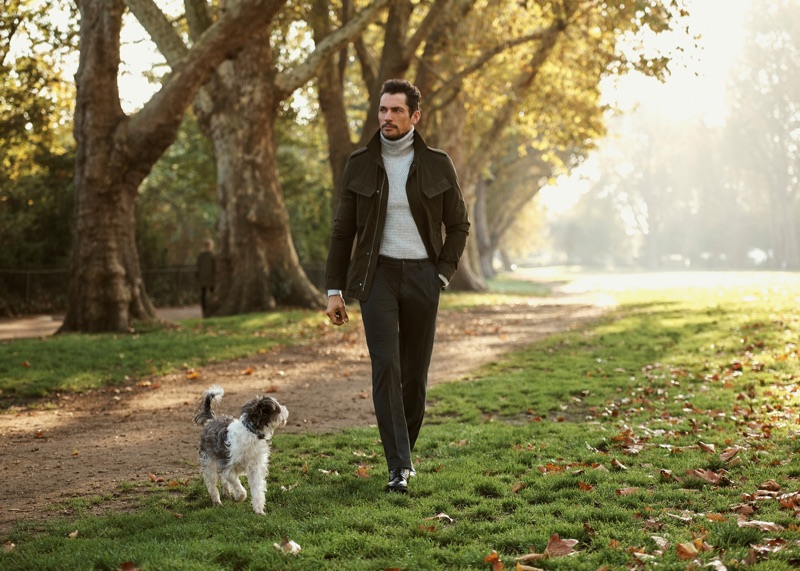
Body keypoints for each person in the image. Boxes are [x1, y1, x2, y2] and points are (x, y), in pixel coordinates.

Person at [324, 79, 470, 493]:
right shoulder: (360, 162)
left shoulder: (438, 163)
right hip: (378, 277)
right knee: (386, 365)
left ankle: (402, 454)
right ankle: (399, 466)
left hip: (424, 275)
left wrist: (442, 272)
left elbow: (458, 223)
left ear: (414, 116)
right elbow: (342, 232)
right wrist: (334, 289)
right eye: (382, 110)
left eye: (395, 111)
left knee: (415, 375)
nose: (386, 117)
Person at [196, 238, 216, 317]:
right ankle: (209, 310)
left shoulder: (201, 255)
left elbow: (198, 266)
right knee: (210, 294)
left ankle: (205, 310)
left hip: (204, 278)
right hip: (211, 278)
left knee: (204, 294)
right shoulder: (212, 255)